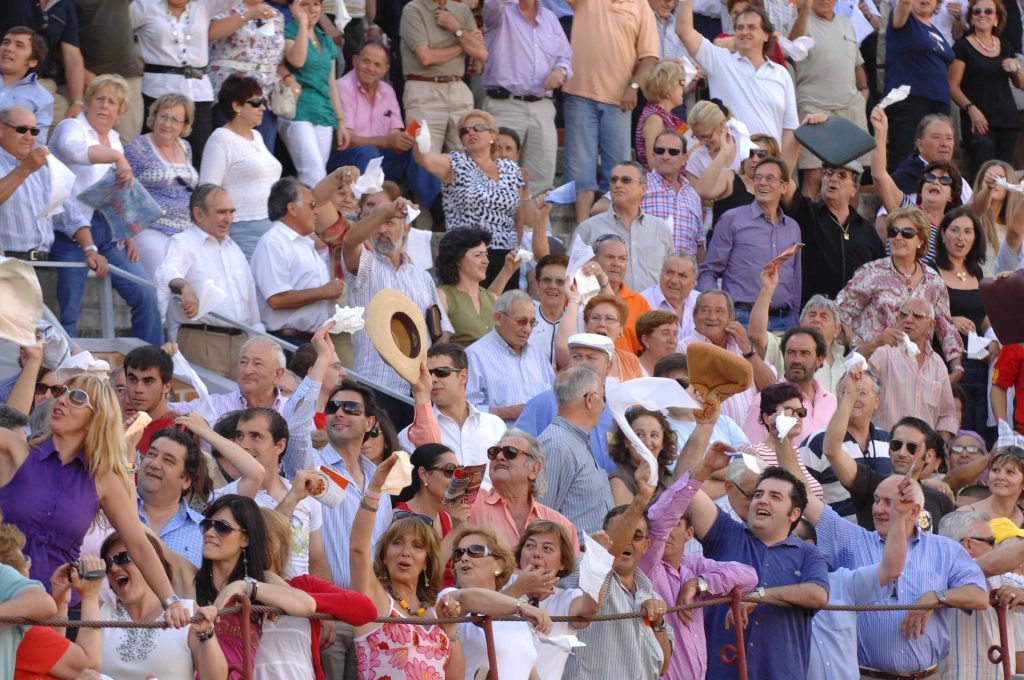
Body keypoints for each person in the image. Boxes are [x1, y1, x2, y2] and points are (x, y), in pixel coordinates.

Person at [0, 375, 191, 626]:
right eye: (64, 391)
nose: (63, 400)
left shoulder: (103, 480)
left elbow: (138, 545)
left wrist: (171, 602)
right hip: (6, 598)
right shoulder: (13, 448)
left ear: (96, 419)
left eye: (77, 397)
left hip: (60, 611)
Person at [792, 442, 988, 676]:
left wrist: (936, 597)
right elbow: (803, 494)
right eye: (876, 501)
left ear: (914, 511)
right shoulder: (854, 540)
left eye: (889, 502)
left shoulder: (946, 550)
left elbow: (979, 595)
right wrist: (783, 441)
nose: (879, 509)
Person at [350, 455, 551, 680]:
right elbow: (358, 549)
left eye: (417, 546)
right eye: (396, 543)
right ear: (384, 556)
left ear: (428, 561)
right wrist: (374, 489)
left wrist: (451, 630)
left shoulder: (437, 612)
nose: (405, 552)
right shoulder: (375, 601)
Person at [679, 421, 832, 680]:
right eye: (758, 494)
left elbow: (817, 595)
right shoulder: (726, 533)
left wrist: (758, 595)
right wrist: (705, 435)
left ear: (794, 513)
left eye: (775, 496)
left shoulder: (808, 553)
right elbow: (683, 490)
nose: (762, 500)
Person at [283, 365, 396, 675]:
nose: (339, 413)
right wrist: (319, 363)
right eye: (333, 407)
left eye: (351, 408)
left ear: (370, 423)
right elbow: (293, 427)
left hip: (374, 616)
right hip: (328, 615)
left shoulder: (379, 480)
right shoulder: (311, 465)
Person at [48, 74, 163, 345]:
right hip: (71, 234)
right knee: (69, 313)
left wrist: (128, 231)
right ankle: (66, 374)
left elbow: (117, 190)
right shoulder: (70, 126)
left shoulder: (114, 138)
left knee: (145, 294)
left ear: (120, 112)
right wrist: (117, 157)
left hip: (108, 232)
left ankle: (152, 364)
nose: (104, 105)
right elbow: (73, 151)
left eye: (112, 102)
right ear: (88, 101)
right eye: (99, 98)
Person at [639, 452, 762, 680]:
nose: (667, 532)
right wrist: (704, 468)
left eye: (676, 525)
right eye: (666, 526)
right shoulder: (648, 566)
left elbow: (749, 576)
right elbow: (660, 523)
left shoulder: (692, 566)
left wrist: (699, 584)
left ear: (689, 534)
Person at [342, 195, 452, 411]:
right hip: (375, 383)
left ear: (406, 229)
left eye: (390, 222)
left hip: (417, 387)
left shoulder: (421, 276)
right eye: (378, 223)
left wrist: (427, 375)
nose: (382, 229)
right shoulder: (366, 264)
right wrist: (387, 210)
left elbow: (441, 332)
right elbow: (349, 241)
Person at [563, 472, 674, 680]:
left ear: (646, 546)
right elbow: (600, 564)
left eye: (637, 536)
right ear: (607, 537)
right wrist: (641, 499)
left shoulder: (651, 593)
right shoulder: (586, 567)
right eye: (621, 533)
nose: (627, 541)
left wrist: (658, 623)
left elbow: (664, 667)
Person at [815, 372, 957, 530]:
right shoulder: (872, 486)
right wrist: (849, 395)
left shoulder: (939, 500)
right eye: (896, 445)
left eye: (911, 447)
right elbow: (832, 450)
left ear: (929, 456)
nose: (902, 453)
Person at [196, 494, 317, 676]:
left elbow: (307, 605)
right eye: (207, 524)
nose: (210, 533)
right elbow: (141, 539)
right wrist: (134, 467)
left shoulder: (262, 579)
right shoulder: (191, 576)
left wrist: (243, 587)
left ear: (245, 539)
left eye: (222, 527)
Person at [561, 0, 658, 225]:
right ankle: (582, 232)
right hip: (579, 93)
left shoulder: (641, 6)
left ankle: (610, 230)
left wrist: (633, 87)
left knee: (618, 172)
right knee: (579, 170)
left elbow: (650, 58)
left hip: (619, 101)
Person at [156, 184, 264, 380]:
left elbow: (251, 305)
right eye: (222, 212)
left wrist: (260, 342)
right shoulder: (183, 242)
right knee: (205, 408)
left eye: (231, 212)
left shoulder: (234, 248)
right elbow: (166, 271)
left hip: (242, 343)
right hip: (202, 340)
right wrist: (185, 287)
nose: (229, 219)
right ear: (199, 214)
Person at [837, 206, 965, 369]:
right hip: (874, 368)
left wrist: (956, 367)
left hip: (917, 371)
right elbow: (839, 311)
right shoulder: (871, 272)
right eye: (893, 232)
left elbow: (945, 326)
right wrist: (859, 344)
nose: (898, 237)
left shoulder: (933, 280)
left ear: (920, 241)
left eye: (907, 233)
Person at [89, 531, 226, 679]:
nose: (114, 568)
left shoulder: (188, 611)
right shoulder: (98, 612)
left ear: (151, 565)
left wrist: (206, 632)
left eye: (123, 558)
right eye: (108, 563)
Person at [415, 109, 525, 285]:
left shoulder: (511, 169)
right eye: (465, 131)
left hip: (505, 255)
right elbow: (425, 160)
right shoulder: (455, 162)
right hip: (465, 253)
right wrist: (421, 140)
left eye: (477, 128)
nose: (471, 132)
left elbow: (518, 218)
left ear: (492, 135)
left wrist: (518, 249)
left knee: (504, 310)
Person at [676, 3, 798, 158]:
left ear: (766, 35)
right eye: (739, 28)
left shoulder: (781, 74)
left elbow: (790, 129)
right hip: (730, 169)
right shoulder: (719, 60)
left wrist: (782, 173)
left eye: (751, 27)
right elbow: (683, 30)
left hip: (768, 169)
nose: (744, 32)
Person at [698, 155, 802, 331]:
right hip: (741, 318)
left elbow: (795, 280)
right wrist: (719, 312)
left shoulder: (792, 228)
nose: (762, 182)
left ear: (784, 187)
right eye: (758, 177)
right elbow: (708, 271)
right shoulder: (732, 219)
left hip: (784, 322)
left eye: (770, 178)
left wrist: (795, 320)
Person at [332, 41, 440, 209]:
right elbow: (347, 140)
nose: (371, 68)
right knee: (368, 152)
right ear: (355, 61)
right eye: (366, 61)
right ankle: (366, 209)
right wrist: (387, 141)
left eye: (377, 64)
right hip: (347, 160)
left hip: (381, 161)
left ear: (385, 69)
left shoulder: (387, 90)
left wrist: (402, 140)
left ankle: (438, 208)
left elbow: (394, 134)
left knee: (418, 149)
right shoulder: (342, 87)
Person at [130, 0, 238, 167]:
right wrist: (133, 56)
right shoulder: (145, 6)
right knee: (154, 155)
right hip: (158, 93)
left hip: (198, 93)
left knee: (198, 155)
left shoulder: (202, 6)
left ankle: (194, 193)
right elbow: (117, 32)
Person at [481, 0, 571, 193]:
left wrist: (561, 72)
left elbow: (565, 57)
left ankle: (532, 223)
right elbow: (491, 6)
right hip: (505, 105)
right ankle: (498, 223)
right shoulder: (500, 11)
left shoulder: (550, 18)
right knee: (498, 174)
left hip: (542, 107)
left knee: (541, 179)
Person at [791, 0, 870, 199]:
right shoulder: (802, 22)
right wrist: (804, 12)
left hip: (851, 108)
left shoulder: (846, 22)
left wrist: (864, 90)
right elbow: (792, 46)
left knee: (852, 178)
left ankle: (849, 229)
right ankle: (810, 229)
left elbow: (857, 63)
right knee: (814, 176)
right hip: (814, 107)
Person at [199, 73, 283, 260]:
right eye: (255, 103)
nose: (262, 108)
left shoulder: (257, 137)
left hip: (272, 226)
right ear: (236, 106)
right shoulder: (220, 138)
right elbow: (208, 190)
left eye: (263, 102)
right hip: (241, 231)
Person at [781, 159, 885, 303]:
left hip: (853, 319)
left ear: (854, 189)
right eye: (829, 173)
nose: (833, 179)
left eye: (842, 175)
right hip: (813, 315)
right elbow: (782, 177)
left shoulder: (867, 231)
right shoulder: (807, 213)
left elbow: (880, 277)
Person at [503, 521, 598, 678]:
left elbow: (590, 609)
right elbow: (479, 620)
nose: (536, 553)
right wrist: (519, 588)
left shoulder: (568, 598)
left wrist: (596, 560)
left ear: (562, 563)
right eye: (530, 546)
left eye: (547, 548)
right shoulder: (501, 584)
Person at [252, 177, 339, 345]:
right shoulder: (273, 242)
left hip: (312, 340)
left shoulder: (305, 243)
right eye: (312, 205)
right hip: (287, 340)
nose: (317, 212)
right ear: (292, 208)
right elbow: (277, 299)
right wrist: (324, 292)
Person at [799, 368, 892, 521]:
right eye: (846, 392)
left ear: (877, 402)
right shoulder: (817, 441)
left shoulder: (888, 440)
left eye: (861, 393)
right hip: (834, 539)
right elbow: (798, 493)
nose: (854, 398)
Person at [517, 332, 618, 472]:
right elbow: (519, 452)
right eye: (576, 357)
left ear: (609, 365)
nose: (582, 363)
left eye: (591, 358)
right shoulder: (543, 403)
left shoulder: (621, 407)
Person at [124, 93, 199, 278]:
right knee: (167, 280)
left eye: (175, 119)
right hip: (151, 228)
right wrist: (127, 234)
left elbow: (187, 190)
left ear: (184, 125)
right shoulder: (137, 148)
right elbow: (120, 191)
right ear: (154, 116)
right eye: (163, 116)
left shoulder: (185, 147)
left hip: (186, 230)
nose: (167, 124)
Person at [469, 429, 581, 554]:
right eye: (494, 452)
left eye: (510, 452)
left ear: (534, 468)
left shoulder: (561, 525)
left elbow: (572, 572)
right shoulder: (469, 503)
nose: (499, 457)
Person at [399, 343, 507, 472]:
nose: (432, 379)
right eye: (428, 373)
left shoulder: (495, 425)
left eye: (441, 372)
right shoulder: (409, 436)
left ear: (463, 376)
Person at [537, 366, 615, 541]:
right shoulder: (557, 444)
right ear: (590, 399)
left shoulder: (574, 441)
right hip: (574, 562)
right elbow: (541, 518)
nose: (604, 405)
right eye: (603, 398)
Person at [0, 106, 88, 261]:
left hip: (42, 263)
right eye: (22, 129)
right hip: (6, 263)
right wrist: (25, 169)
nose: (29, 137)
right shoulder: (31, 166)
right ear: (1, 129)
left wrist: (90, 249)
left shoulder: (43, 169)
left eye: (34, 131)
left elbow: (71, 216)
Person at [935, 207, 995, 438]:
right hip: (947, 362)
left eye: (968, 232)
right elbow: (922, 313)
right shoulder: (930, 270)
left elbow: (985, 316)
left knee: (975, 428)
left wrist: (993, 340)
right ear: (942, 234)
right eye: (955, 230)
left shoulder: (977, 273)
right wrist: (950, 320)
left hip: (978, 361)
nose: (961, 238)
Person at [399, 0, 486, 153]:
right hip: (423, 90)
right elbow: (426, 57)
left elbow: (481, 53)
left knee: (466, 156)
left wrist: (456, 28)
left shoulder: (462, 11)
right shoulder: (413, 9)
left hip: (458, 88)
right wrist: (464, 44)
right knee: (425, 155)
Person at [678, 289, 776, 425]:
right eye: (705, 310)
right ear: (694, 317)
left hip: (748, 437)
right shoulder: (684, 349)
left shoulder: (741, 345)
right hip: (709, 433)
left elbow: (770, 388)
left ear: (731, 318)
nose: (712, 317)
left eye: (719, 311)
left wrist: (747, 350)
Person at [949, 0, 1023, 177]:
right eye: (977, 12)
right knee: (983, 173)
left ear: (996, 18)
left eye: (988, 11)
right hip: (978, 121)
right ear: (971, 18)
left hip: (1006, 118)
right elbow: (952, 85)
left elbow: (1020, 84)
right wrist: (971, 109)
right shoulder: (962, 46)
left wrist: (1017, 68)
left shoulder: (1004, 45)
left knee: (1005, 175)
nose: (982, 15)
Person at [575, 161, 674, 293]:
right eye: (613, 180)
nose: (618, 184)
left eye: (625, 180)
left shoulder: (660, 228)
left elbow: (671, 273)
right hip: (605, 309)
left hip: (651, 311)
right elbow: (573, 274)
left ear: (643, 189)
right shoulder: (589, 228)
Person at [279, 0, 349, 187]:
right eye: (304, 4)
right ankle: (320, 215)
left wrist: (340, 122)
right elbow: (298, 61)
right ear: (293, 8)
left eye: (316, 4)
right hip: (298, 111)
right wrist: (302, 23)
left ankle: (309, 213)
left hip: (324, 114)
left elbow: (331, 84)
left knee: (316, 176)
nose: (312, 9)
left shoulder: (325, 39)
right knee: (314, 173)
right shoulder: (288, 30)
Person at [868, 297, 959, 437]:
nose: (909, 319)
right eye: (904, 315)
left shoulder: (938, 364)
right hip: (887, 448)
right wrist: (875, 342)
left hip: (923, 453)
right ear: (897, 320)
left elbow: (947, 416)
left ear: (931, 326)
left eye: (917, 316)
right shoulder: (883, 353)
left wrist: (939, 447)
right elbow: (854, 370)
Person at [883, 0, 955, 167]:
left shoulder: (934, 30)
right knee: (905, 157)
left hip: (939, 103)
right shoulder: (903, 19)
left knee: (937, 161)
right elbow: (904, 4)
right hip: (909, 101)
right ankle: (899, 194)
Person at [466, 290, 556, 423]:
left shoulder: (537, 353)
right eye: (521, 321)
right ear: (498, 319)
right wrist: (508, 412)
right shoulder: (474, 355)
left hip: (541, 440)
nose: (527, 329)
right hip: (501, 440)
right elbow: (467, 410)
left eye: (532, 323)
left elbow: (554, 396)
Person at [207, 0, 286, 150]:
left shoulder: (277, 15)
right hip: (232, 92)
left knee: (263, 153)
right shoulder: (224, 6)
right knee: (230, 150)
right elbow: (211, 32)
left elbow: (277, 59)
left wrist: (288, 79)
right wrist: (248, 15)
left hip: (265, 95)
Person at [744, 326, 837, 442]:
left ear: (820, 360)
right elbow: (751, 455)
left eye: (804, 353)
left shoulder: (832, 402)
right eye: (791, 352)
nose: (797, 360)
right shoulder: (764, 401)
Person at [562, 237, 653, 357]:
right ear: (593, 260)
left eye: (622, 259)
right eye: (610, 257)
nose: (616, 264)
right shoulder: (574, 294)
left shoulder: (639, 302)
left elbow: (647, 349)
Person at [0, 1, 85, 125]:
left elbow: (72, 55)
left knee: (66, 121)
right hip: (6, 76)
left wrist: (77, 101)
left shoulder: (65, 4)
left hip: (42, 83)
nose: (9, 47)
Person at [392, 443, 462, 588]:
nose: (456, 479)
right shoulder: (401, 517)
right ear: (423, 474)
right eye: (449, 471)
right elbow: (424, 574)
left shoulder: (445, 516)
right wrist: (456, 531)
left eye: (459, 473)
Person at [436, 228, 520, 347]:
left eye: (486, 255)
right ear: (457, 260)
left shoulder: (491, 298)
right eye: (478, 255)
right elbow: (439, 350)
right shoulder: (442, 296)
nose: (485, 261)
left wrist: (508, 269)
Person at [170, 337, 289, 419]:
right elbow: (168, 411)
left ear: (278, 374)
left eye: (257, 364)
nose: (247, 371)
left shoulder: (291, 410)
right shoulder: (216, 405)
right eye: (243, 362)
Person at [608, 406, 679, 503]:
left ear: (663, 443)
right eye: (639, 435)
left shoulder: (669, 476)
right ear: (626, 441)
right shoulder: (619, 480)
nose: (647, 442)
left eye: (654, 435)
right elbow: (625, 518)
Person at [0, 27, 53, 144]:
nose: (8, 48)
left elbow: (35, 145)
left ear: (33, 61)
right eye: (5, 42)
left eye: (19, 45)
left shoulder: (43, 99)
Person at [970, 159, 1019, 274]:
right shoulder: (971, 216)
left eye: (1000, 177)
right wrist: (989, 188)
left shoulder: (1014, 226)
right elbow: (977, 207)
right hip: (976, 286)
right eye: (989, 176)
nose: (994, 180)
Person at [636, 61, 686, 170]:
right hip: (662, 183)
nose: (684, 87)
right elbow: (654, 163)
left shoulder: (668, 116)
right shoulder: (654, 118)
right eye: (682, 83)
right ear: (668, 89)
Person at [641, 253, 700, 342]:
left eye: (682, 276)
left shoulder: (701, 301)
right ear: (660, 274)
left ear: (694, 283)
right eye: (669, 272)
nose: (674, 281)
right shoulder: (643, 301)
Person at [957, 447, 1024, 522]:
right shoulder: (965, 515)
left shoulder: (1022, 517)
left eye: (1010, 472)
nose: (1001, 477)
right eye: (995, 470)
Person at [530, 254, 569, 365]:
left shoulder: (579, 319)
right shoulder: (524, 316)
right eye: (547, 280)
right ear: (538, 284)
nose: (553, 286)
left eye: (560, 281)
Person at [636, 310, 680, 377]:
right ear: (645, 340)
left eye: (675, 333)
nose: (673, 340)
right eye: (665, 333)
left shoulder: (679, 372)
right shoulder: (631, 371)